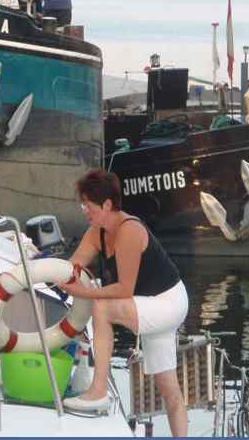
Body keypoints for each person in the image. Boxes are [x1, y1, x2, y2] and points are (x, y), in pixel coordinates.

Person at [60, 169, 189, 436]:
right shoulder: (97, 232)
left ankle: (97, 392)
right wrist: (53, 276)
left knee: (103, 308)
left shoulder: (129, 230)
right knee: (169, 390)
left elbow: (124, 289)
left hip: (168, 302)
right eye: (82, 204)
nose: (84, 210)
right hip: (149, 303)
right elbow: (72, 266)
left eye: (88, 205)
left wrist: (83, 292)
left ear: (106, 205)